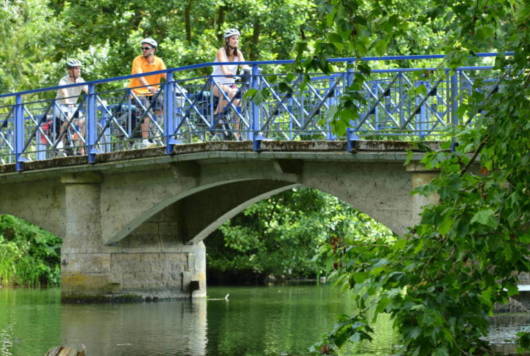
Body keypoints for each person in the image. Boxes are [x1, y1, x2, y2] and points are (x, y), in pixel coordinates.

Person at [129, 37, 166, 147]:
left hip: (152, 92)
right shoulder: (138, 60)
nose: (143, 50)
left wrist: (174, 84)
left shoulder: (159, 61)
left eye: (146, 48)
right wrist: (148, 86)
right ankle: (145, 140)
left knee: (161, 109)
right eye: (142, 48)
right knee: (146, 112)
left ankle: (155, 133)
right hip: (138, 92)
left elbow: (166, 74)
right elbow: (139, 76)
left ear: (153, 50)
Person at [211, 28, 250, 119]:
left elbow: (244, 66)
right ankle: (217, 116)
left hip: (231, 85)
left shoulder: (238, 53)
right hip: (217, 84)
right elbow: (225, 70)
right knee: (229, 92)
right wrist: (232, 75)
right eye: (233, 38)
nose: (236, 41)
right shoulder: (221, 51)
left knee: (239, 103)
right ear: (227, 40)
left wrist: (251, 71)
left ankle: (236, 132)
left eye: (237, 39)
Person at [54, 58, 88, 153]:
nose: (79, 70)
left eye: (79, 68)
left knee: (83, 121)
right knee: (68, 117)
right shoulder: (63, 81)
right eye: (76, 68)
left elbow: (88, 90)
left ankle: (81, 148)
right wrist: (68, 103)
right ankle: (60, 141)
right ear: (70, 70)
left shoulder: (80, 80)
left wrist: (97, 99)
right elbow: (65, 94)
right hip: (60, 106)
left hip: (73, 107)